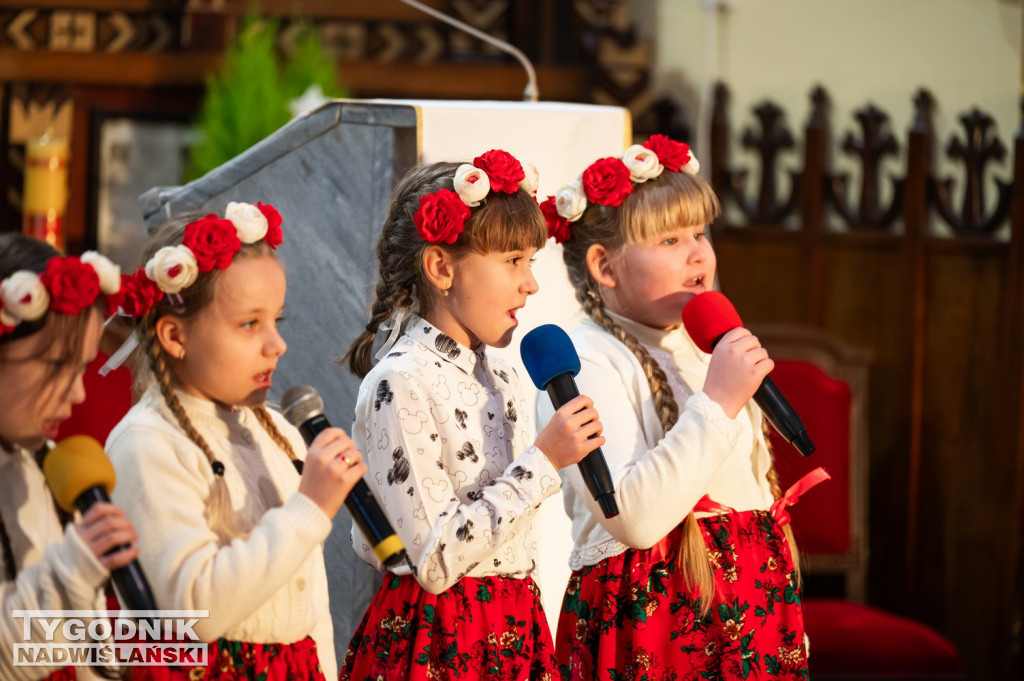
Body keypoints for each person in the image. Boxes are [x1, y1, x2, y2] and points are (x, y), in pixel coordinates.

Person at [537, 136, 824, 679]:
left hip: (750, 604)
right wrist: (717, 401)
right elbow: (636, 520)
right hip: (654, 620)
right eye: (670, 239)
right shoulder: (588, 362)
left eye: (699, 233)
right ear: (605, 265)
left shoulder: (707, 342)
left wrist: (789, 629)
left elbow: (752, 488)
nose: (698, 253)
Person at [340, 150, 604, 680]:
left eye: (530, 262)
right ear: (440, 267)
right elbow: (434, 563)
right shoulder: (401, 381)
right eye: (512, 262)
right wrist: (542, 463)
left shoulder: (504, 376)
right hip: (438, 638)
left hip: (513, 626)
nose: (531, 284)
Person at [105, 202, 365, 680]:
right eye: (250, 324)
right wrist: (309, 508)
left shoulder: (281, 431)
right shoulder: (148, 444)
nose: (277, 344)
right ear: (173, 335)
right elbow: (191, 611)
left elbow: (312, 608)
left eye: (277, 322)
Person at [0, 233, 138, 681]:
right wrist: (73, 569)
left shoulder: (53, 465)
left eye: (81, 367)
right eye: (57, 365)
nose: (77, 393)